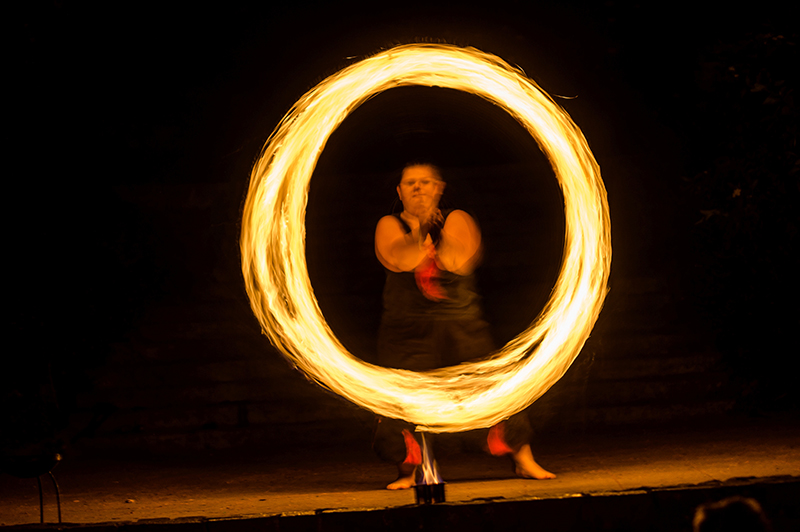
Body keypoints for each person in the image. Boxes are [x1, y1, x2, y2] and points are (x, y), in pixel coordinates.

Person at [373, 162, 556, 490]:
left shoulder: (458, 220)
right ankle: (407, 471)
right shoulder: (388, 224)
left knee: (492, 390)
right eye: (411, 183)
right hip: (406, 330)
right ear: (399, 192)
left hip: (460, 323)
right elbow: (402, 259)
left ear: (439, 188)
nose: (418, 188)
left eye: (426, 182)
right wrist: (420, 229)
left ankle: (524, 459)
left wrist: (433, 230)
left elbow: (459, 262)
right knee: (404, 399)